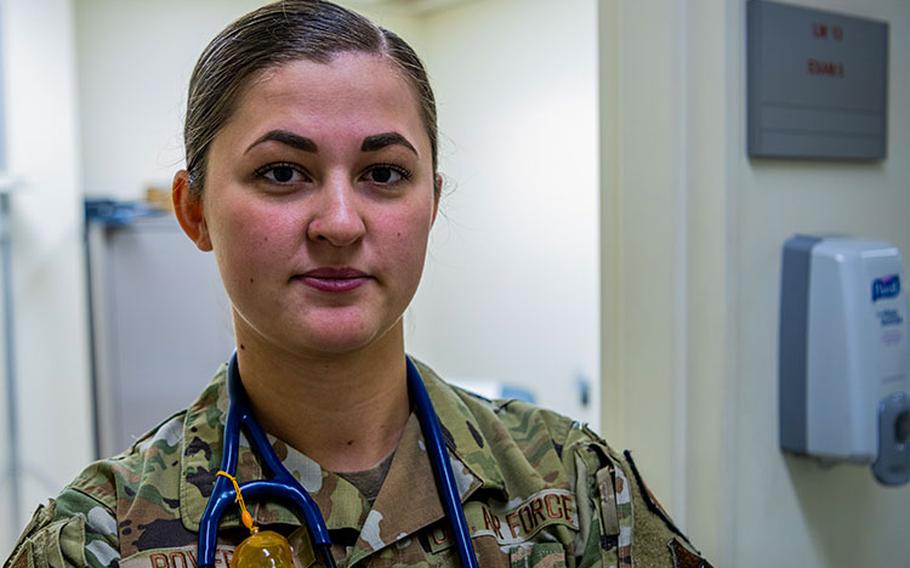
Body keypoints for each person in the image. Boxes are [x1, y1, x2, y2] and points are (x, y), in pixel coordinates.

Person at [4, 1, 712, 567]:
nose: (340, 223)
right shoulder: (96, 539)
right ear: (194, 211)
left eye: (383, 174)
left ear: (431, 202)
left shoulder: (575, 490)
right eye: (282, 172)